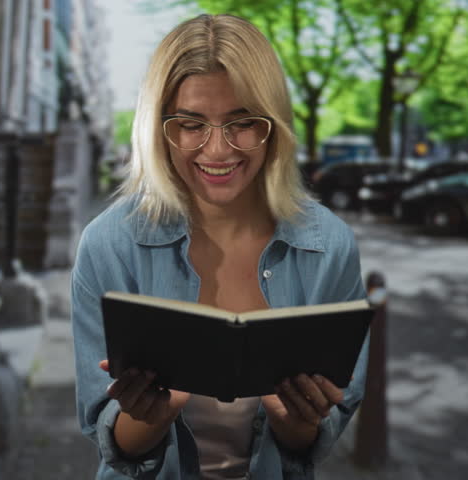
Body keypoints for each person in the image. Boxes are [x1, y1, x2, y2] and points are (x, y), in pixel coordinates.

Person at [72, 13, 369, 479]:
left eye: (243, 122)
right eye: (191, 124)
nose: (217, 150)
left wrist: (298, 422)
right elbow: (112, 443)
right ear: (158, 128)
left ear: (274, 125)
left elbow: (312, 443)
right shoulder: (109, 244)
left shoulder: (328, 245)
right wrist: (149, 416)